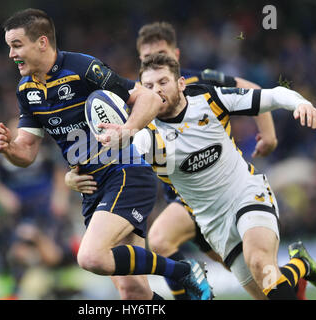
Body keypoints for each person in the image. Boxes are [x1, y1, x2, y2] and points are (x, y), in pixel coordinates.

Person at [0, 9, 212, 300]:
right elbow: (27, 151)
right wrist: (9, 149)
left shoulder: (82, 68)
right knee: (132, 291)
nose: (11, 54)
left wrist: (128, 129)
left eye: (16, 45)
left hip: (125, 173)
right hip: (92, 190)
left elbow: (147, 98)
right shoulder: (26, 90)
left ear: (42, 42)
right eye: (9, 46)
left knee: (91, 257)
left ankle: (182, 271)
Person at [65, 21, 282, 299]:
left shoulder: (197, 81)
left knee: (169, 242)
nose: (156, 64)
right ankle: (295, 271)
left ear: (176, 57)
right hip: (180, 196)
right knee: (244, 271)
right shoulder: (137, 98)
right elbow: (111, 144)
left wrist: (269, 135)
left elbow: (251, 91)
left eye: (162, 56)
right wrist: (71, 175)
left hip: (212, 191)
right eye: (147, 59)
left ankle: (288, 273)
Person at [103, 52, 316, 299]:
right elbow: (112, 171)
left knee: (259, 262)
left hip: (247, 195)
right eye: (148, 86)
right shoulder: (145, 136)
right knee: (267, 289)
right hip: (214, 226)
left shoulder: (209, 99)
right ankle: (301, 265)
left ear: (181, 83)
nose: (156, 90)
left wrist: (300, 103)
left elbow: (272, 95)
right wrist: (77, 176)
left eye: (162, 82)